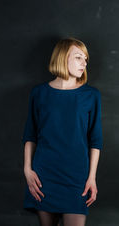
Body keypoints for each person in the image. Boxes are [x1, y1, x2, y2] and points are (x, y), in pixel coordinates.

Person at [22, 37, 103, 226]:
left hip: (77, 176)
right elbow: (30, 134)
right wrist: (27, 170)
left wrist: (92, 177)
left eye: (85, 59)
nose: (84, 63)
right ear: (62, 58)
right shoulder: (39, 93)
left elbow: (95, 140)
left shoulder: (91, 95)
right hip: (44, 175)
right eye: (78, 57)